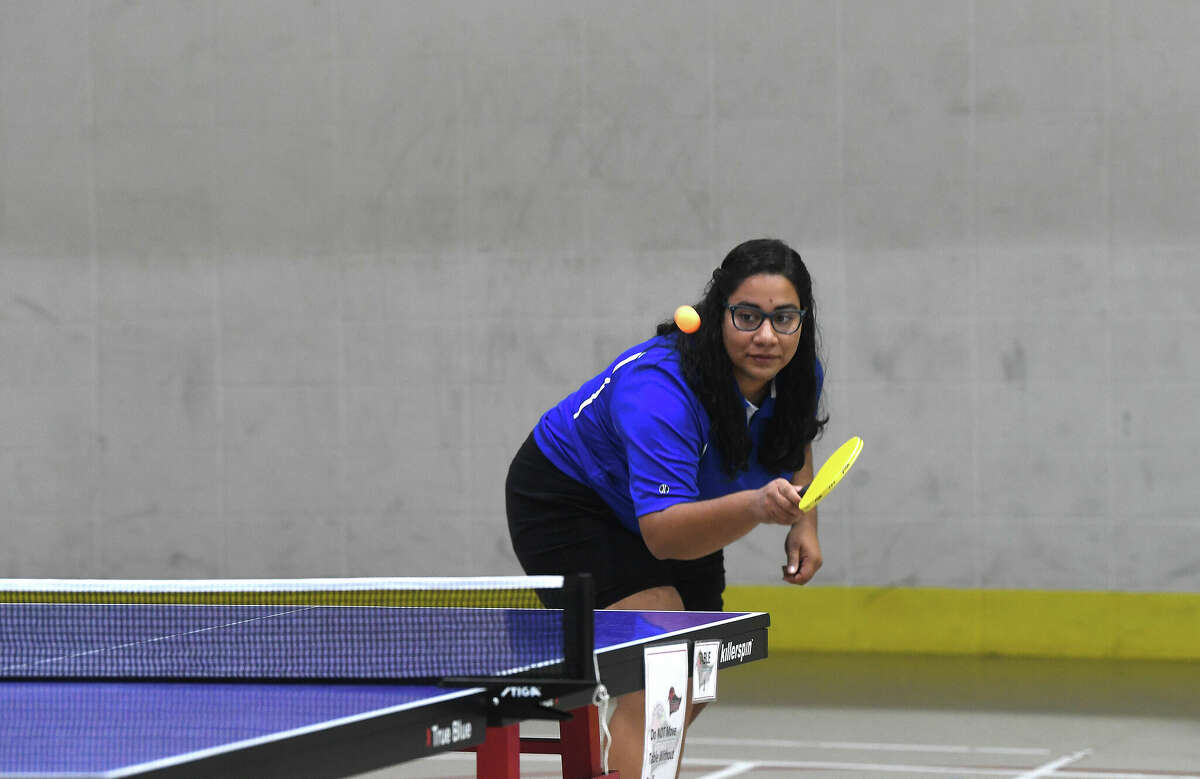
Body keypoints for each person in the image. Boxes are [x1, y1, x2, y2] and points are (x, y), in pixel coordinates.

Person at [505, 238, 827, 777]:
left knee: (696, 675)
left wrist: (805, 522)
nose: (766, 336)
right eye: (747, 317)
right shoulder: (660, 391)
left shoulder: (797, 371)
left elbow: (792, 438)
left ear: (802, 320)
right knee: (661, 669)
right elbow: (664, 537)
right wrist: (752, 506)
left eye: (783, 318)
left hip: (683, 504)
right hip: (572, 499)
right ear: (718, 311)